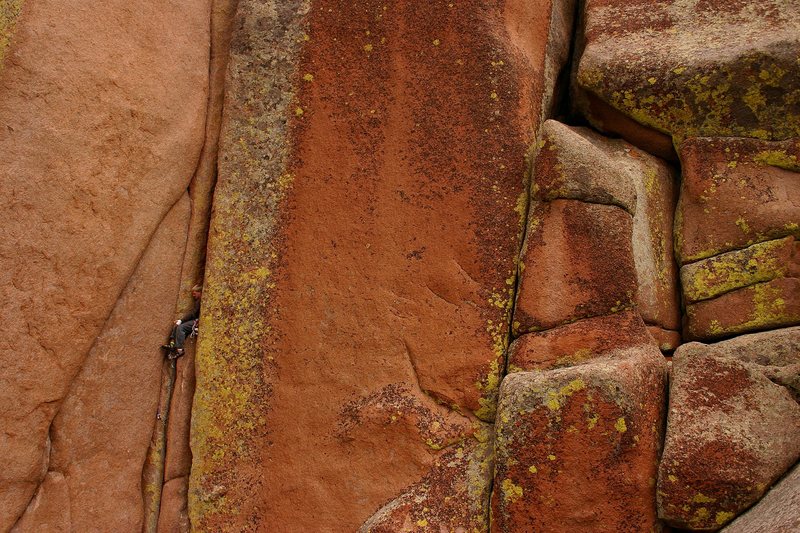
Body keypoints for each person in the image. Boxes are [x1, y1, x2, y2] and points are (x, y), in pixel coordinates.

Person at [162, 285, 202, 359]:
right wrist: (180, 321)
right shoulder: (198, 301)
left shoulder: (200, 301)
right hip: (194, 320)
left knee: (181, 328)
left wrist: (181, 320)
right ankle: (172, 344)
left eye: (194, 293)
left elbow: (193, 313)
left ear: (200, 292)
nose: (193, 296)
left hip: (198, 322)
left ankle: (180, 350)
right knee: (177, 325)